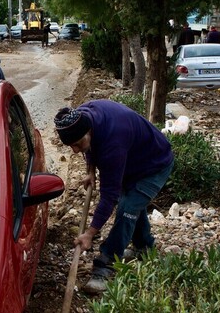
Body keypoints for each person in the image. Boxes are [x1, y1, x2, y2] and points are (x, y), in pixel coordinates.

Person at [54, 100, 174, 294]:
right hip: (132, 160)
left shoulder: (113, 142)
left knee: (127, 208)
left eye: (77, 145)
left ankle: (106, 265)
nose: (75, 150)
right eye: (70, 147)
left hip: (154, 164)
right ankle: (144, 247)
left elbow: (109, 196)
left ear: (88, 132)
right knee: (132, 204)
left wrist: (89, 234)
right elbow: (90, 146)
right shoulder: (84, 116)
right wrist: (90, 171)